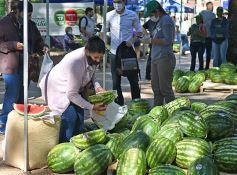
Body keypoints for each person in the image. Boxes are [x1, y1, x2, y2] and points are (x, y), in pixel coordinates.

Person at [39, 36, 106, 142]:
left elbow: (92, 73)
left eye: (100, 58)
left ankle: (75, 148)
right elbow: (71, 94)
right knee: (71, 119)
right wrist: (92, 107)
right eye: (96, 58)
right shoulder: (76, 62)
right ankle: (63, 146)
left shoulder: (91, 57)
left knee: (80, 120)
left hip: (72, 90)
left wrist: (97, 87)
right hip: (57, 90)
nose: (98, 61)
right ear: (87, 51)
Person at [0, 1, 48, 134]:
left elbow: (38, 40)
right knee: (12, 94)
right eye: (26, 15)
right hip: (10, 65)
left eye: (30, 15)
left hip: (27, 65)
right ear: (17, 11)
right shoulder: (4, 24)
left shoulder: (31, 25)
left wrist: (42, 46)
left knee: (22, 95)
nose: (28, 18)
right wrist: (13, 45)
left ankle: (18, 122)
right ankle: (4, 123)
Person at [101, 0, 143, 106]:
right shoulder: (109, 15)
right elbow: (103, 32)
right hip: (114, 52)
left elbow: (139, 31)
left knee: (133, 80)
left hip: (128, 52)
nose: (117, 4)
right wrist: (103, 45)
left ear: (124, 2)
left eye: (119, 1)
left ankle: (136, 104)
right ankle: (119, 106)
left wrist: (132, 41)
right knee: (116, 83)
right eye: (115, 1)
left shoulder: (132, 15)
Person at [142, 0, 176, 106]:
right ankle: (157, 111)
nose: (151, 17)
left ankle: (174, 112)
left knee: (165, 88)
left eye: (151, 14)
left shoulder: (166, 20)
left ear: (157, 11)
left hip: (164, 57)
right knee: (156, 89)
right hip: (155, 57)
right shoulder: (157, 21)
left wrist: (151, 40)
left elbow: (168, 40)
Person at [200, 1, 216, 70]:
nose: (210, 7)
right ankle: (204, 67)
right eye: (210, 6)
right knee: (205, 52)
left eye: (211, 6)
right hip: (205, 36)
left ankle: (204, 67)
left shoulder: (211, 14)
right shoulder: (205, 13)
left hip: (206, 36)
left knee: (205, 53)